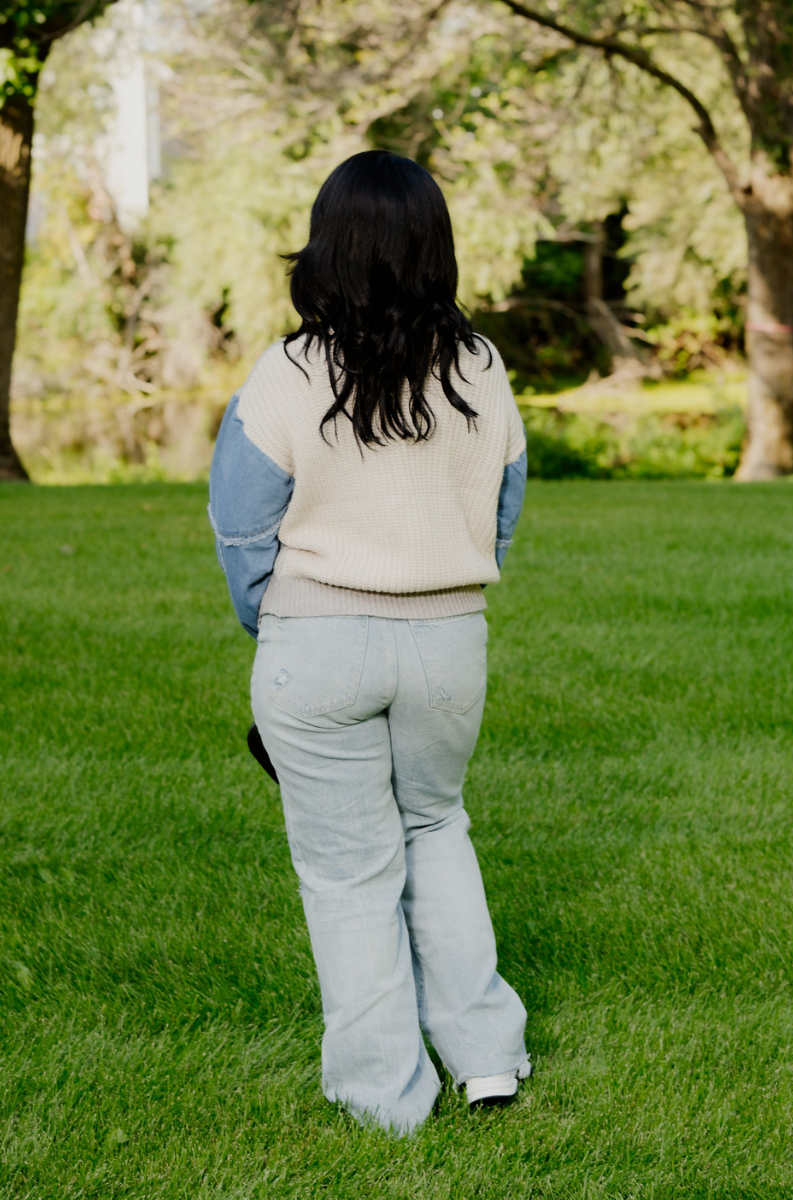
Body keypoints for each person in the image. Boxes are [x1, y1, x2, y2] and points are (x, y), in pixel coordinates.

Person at [208, 149, 529, 1135]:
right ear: (434, 247)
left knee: (348, 871)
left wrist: (275, 624)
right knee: (435, 827)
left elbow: (238, 527)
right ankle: (484, 1059)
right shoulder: (478, 366)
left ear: (324, 245)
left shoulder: (288, 369)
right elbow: (502, 509)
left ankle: (383, 1098)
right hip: (448, 644)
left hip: (315, 641)